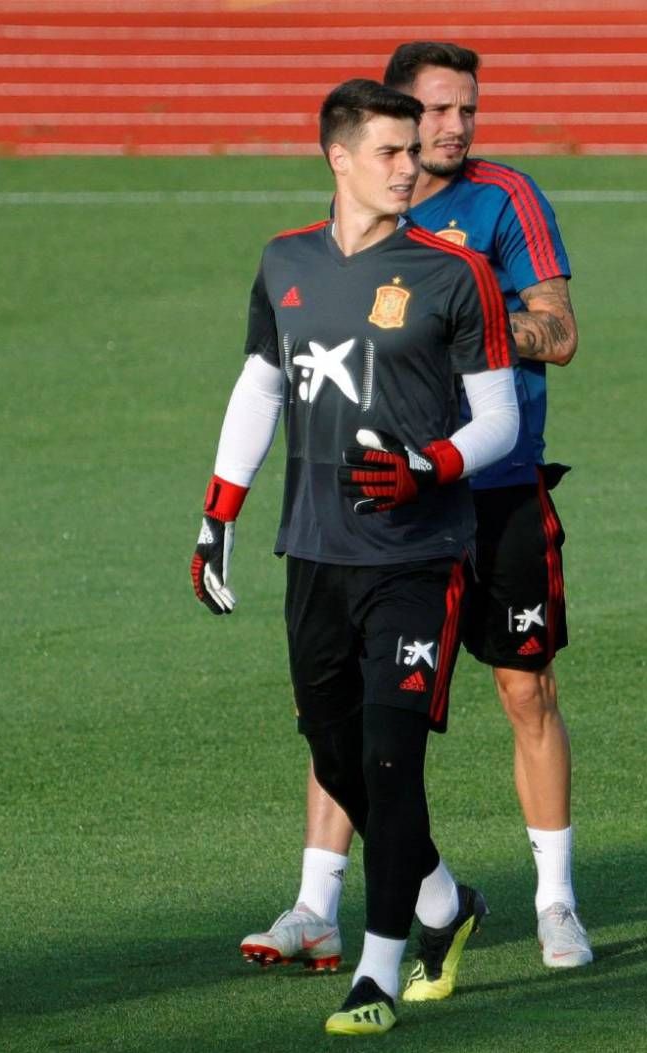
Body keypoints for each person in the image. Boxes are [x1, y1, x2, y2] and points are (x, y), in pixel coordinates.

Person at [237, 40, 592, 974]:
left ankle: (555, 899)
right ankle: (317, 901)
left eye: (467, 109)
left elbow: (559, 333)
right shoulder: (358, 211)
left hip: (497, 484)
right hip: (377, 510)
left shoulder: (501, 201)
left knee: (525, 687)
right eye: (435, 111)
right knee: (349, 699)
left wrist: (457, 312)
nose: (455, 128)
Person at [191, 78, 517, 1034]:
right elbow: (261, 383)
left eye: (414, 152)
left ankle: (377, 972)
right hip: (314, 553)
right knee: (334, 755)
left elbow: (495, 417)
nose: (411, 167)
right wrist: (220, 510)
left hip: (419, 556)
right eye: (391, 152)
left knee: (386, 761)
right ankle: (447, 905)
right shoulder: (284, 261)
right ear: (338, 159)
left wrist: (429, 465)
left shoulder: (456, 277)